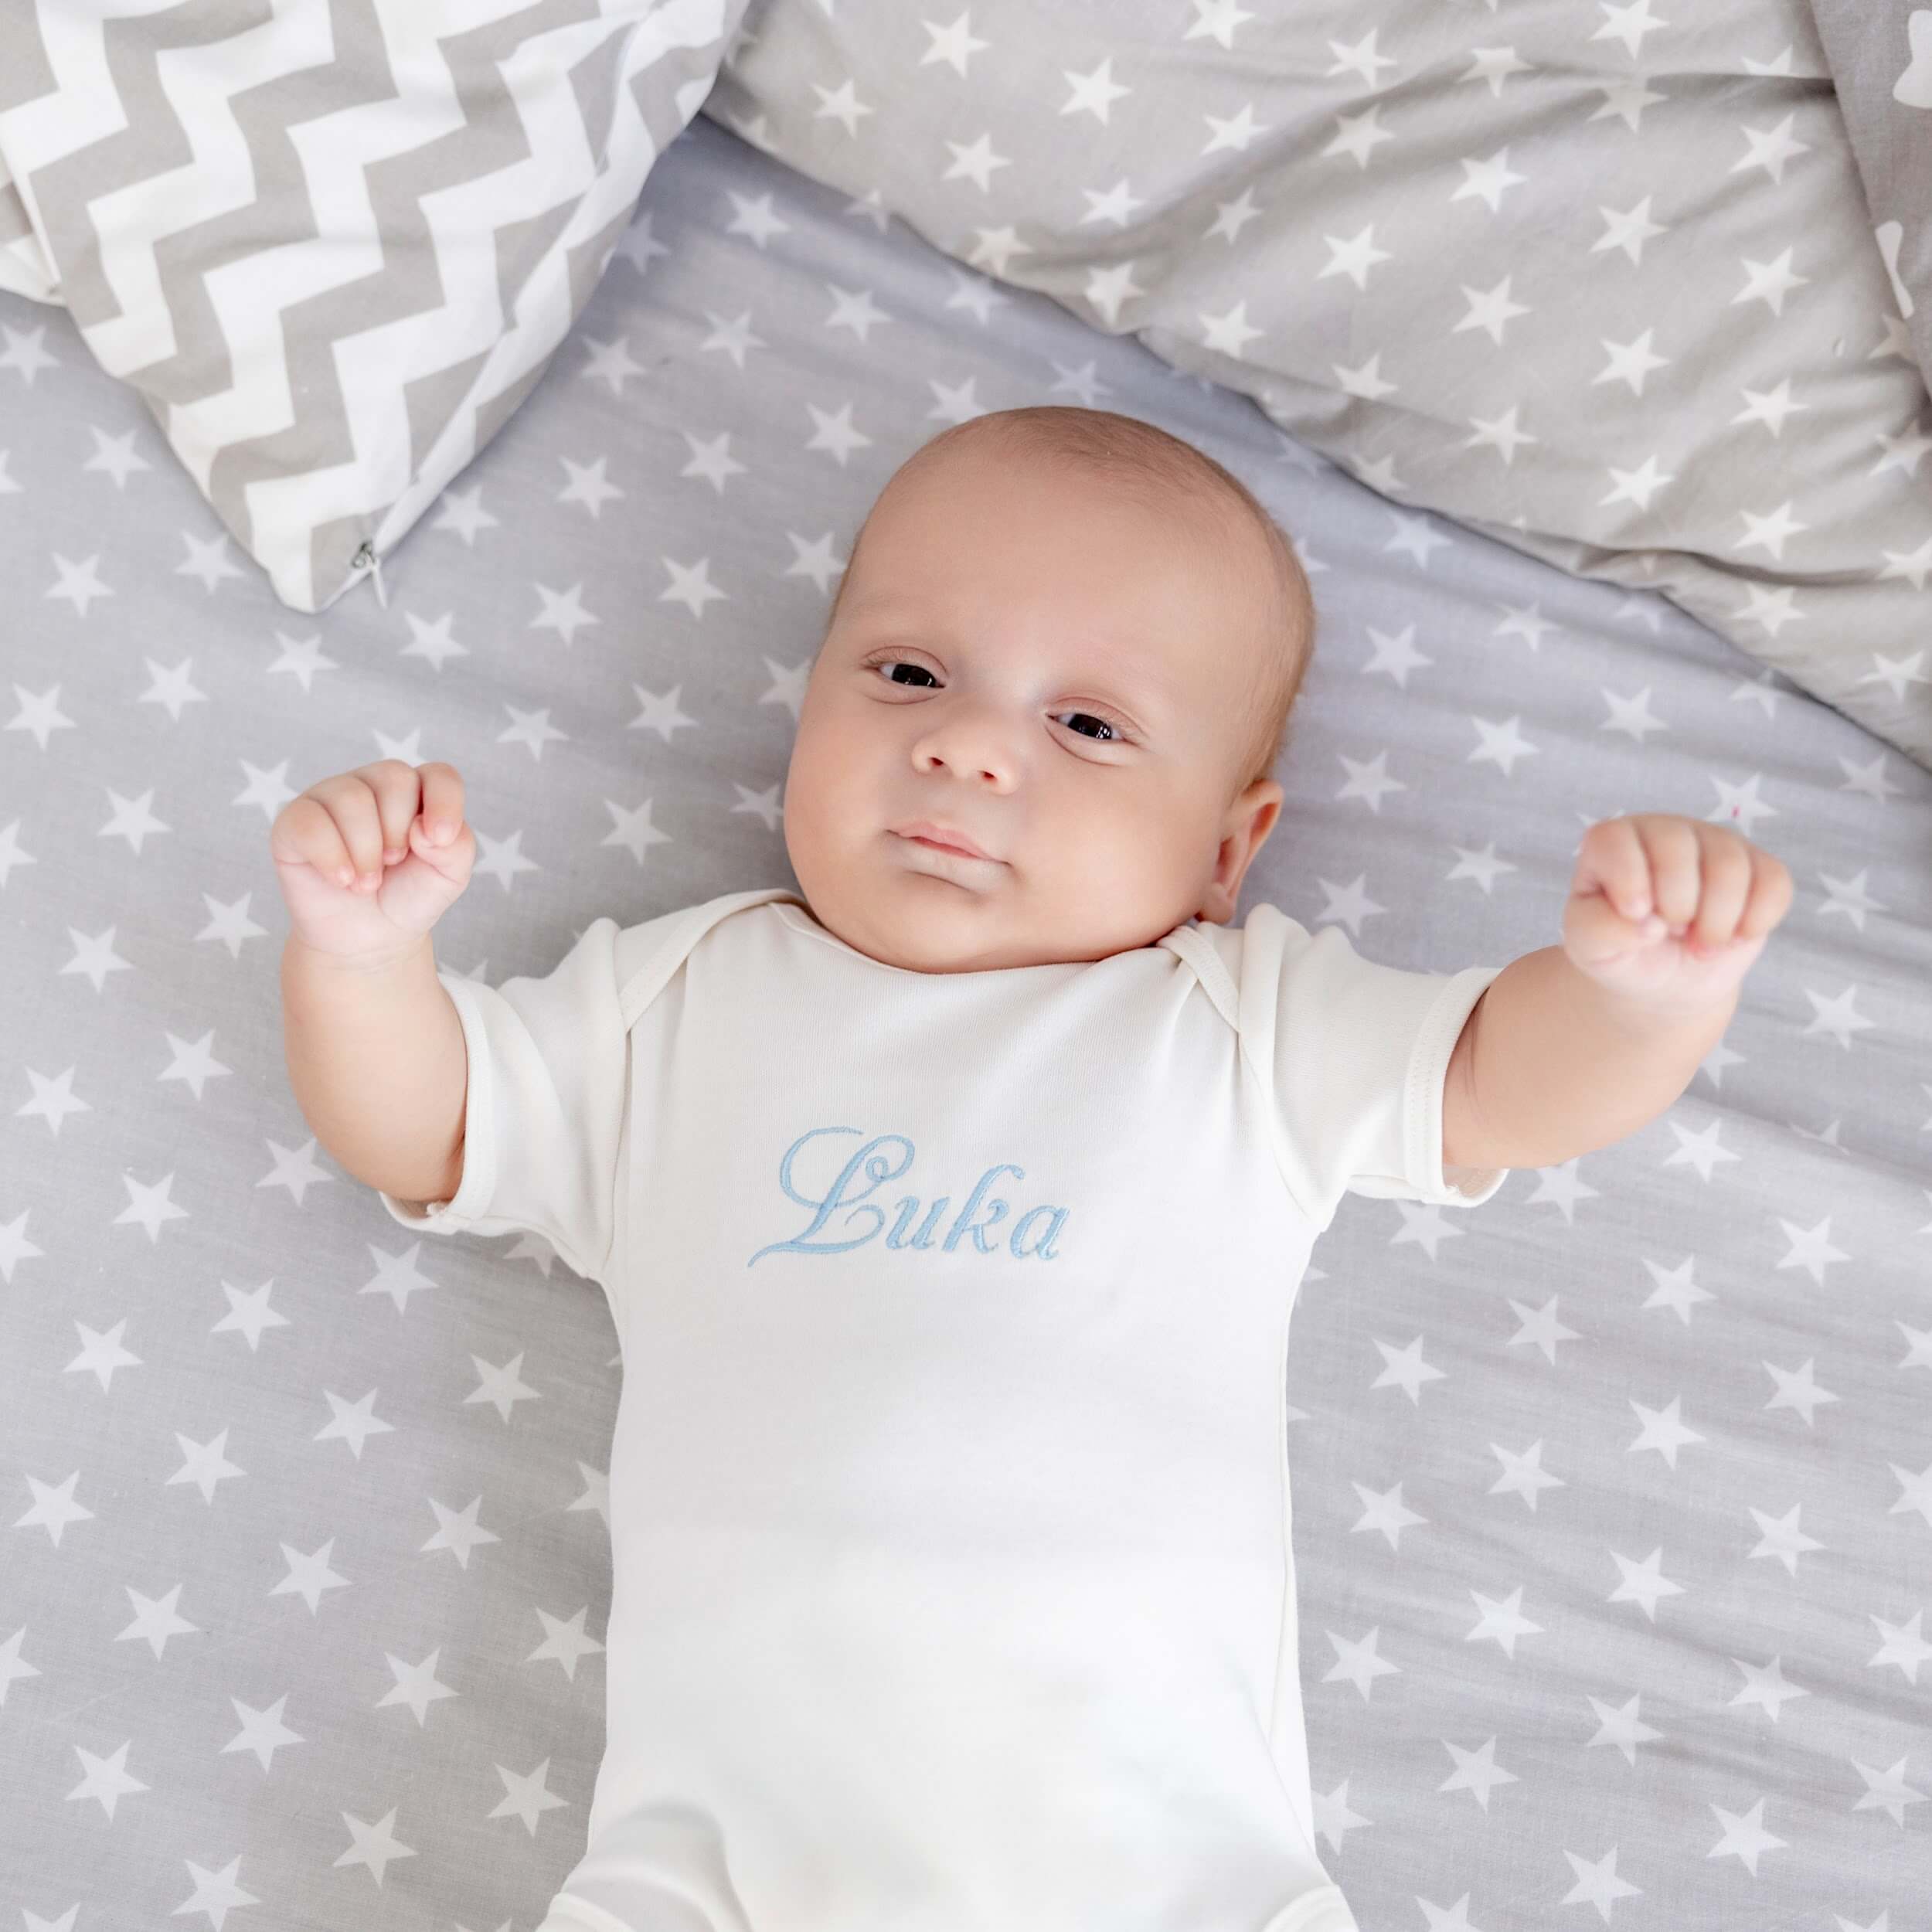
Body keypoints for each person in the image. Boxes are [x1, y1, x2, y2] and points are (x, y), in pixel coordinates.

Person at [272, 406, 1793, 1932]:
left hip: (1164, 1872)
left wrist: (1634, 995)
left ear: (1224, 843)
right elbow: (431, 1126)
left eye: (1086, 725)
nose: (966, 742)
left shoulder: (1233, 1024)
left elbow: (1494, 1084)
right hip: (716, 1869)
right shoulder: (676, 999)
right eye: (908, 672)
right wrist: (363, 957)